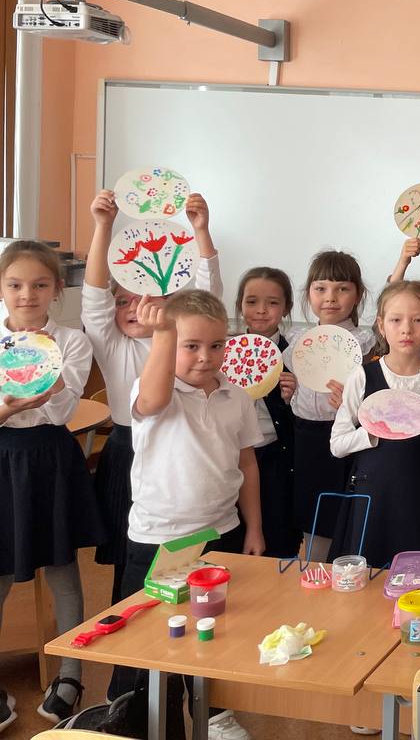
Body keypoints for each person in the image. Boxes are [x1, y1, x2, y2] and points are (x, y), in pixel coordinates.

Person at [111, 290, 264, 740]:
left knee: (214, 629)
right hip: (159, 540)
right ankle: (135, 716)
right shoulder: (153, 388)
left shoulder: (236, 397)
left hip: (220, 534)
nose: (205, 357)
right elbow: (154, 400)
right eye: (190, 345)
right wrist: (162, 334)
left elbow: (247, 462)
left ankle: (214, 713)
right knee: (147, 638)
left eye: (216, 345)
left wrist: (254, 527)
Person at [83, 188, 223, 601]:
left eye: (146, 296)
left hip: (181, 455)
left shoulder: (183, 339)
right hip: (127, 452)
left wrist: (201, 232)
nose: (134, 307)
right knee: (131, 560)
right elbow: (93, 297)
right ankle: (129, 631)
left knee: (183, 560)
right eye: (123, 300)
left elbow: (208, 296)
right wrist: (103, 226)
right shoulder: (113, 345)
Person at [0, 241, 102, 729]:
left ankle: (70, 674)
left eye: (40, 285)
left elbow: (63, 412)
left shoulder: (71, 341)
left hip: (52, 458)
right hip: (3, 459)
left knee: (63, 568)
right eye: (16, 284)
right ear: (2, 289)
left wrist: (49, 378)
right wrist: (7, 408)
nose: (28, 294)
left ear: (57, 289)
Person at [329, 280, 420, 566]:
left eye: (418, 320)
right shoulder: (363, 376)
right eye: (396, 320)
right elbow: (337, 445)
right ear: (381, 324)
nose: (406, 329)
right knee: (370, 572)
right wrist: (373, 432)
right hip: (374, 496)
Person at [283, 250, 375, 561]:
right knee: (313, 514)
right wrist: (289, 394)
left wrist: (351, 407)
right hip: (306, 437)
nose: (330, 298)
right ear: (308, 293)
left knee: (345, 514)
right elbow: (297, 394)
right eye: (320, 288)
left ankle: (349, 569)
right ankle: (315, 572)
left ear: (358, 295)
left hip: (346, 438)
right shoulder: (298, 340)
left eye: (342, 288)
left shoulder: (363, 342)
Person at [233, 267, 301, 560]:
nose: (261, 310)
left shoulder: (295, 355)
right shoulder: (224, 353)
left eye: (272, 303)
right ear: (240, 305)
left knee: (277, 536)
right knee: (234, 538)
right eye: (251, 302)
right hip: (231, 457)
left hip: (276, 459)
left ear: (286, 307)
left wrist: (291, 399)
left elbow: (307, 422)